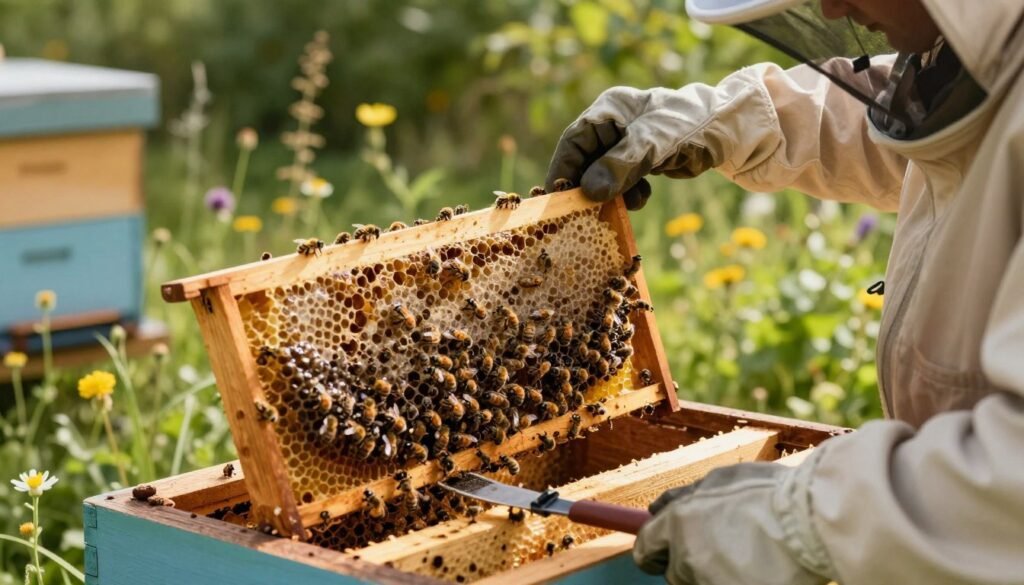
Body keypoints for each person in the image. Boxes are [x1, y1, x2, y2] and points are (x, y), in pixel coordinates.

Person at [544, 0, 1024, 583]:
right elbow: (940, 128)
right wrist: (725, 117)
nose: (828, 6)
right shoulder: (980, 55)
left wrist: (799, 523)